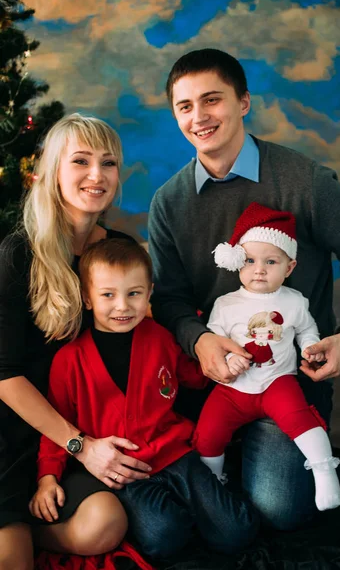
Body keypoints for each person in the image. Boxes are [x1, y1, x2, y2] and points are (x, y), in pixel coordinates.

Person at [148, 48, 340, 529]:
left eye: (212, 100)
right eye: (185, 106)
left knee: (278, 508)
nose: (199, 117)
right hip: (215, 382)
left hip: (290, 381)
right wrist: (199, 339)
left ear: (244, 103)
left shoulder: (305, 181)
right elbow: (168, 298)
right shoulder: (169, 203)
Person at [29, 238, 259, 561]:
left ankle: (203, 511)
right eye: (108, 295)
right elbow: (56, 425)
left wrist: (221, 352)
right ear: (87, 297)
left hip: (178, 455)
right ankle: (180, 518)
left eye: (134, 294)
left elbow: (194, 376)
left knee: (238, 532)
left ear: (149, 293)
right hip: (126, 473)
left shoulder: (160, 337)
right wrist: (47, 477)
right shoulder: (69, 361)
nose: (122, 306)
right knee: (164, 539)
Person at [0, 114, 152, 570]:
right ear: (51, 172)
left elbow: (144, 340)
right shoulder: (18, 254)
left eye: (108, 163)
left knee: (106, 523)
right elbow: (4, 376)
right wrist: (82, 447)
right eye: (81, 161)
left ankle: (27, 527)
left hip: (77, 419)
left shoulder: (120, 251)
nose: (96, 175)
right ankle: (14, 529)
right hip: (13, 427)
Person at [194, 202, 340, 512]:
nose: (259, 269)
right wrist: (229, 360)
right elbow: (215, 341)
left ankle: (324, 468)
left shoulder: (294, 301)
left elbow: (307, 329)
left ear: (289, 268)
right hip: (233, 389)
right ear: (237, 262)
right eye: (249, 260)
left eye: (271, 261)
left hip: (277, 382)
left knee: (300, 418)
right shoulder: (226, 303)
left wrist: (311, 346)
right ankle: (213, 481)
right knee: (207, 433)